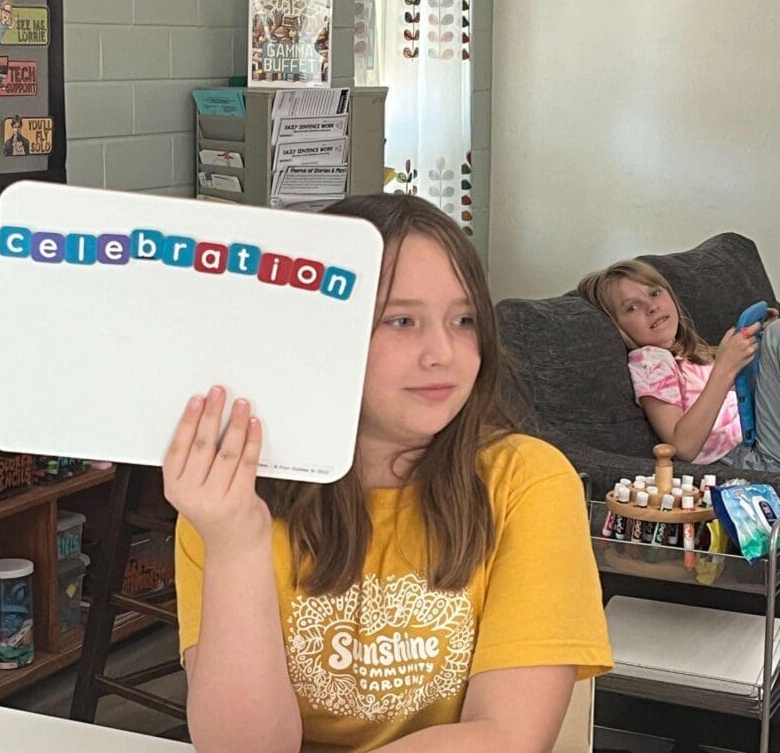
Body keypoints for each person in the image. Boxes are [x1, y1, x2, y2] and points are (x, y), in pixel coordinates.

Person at [166, 194, 613, 752]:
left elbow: (507, 737)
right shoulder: (230, 501)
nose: (442, 353)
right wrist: (235, 543)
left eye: (464, 320)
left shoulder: (529, 483)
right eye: (402, 320)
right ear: (317, 332)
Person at [578, 259, 780, 470]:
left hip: (761, 436)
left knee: (772, 335)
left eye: (654, 293)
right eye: (631, 307)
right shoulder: (650, 361)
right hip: (746, 457)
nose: (651, 307)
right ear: (618, 327)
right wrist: (725, 369)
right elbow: (682, 447)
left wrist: (759, 343)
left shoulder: (692, 356)